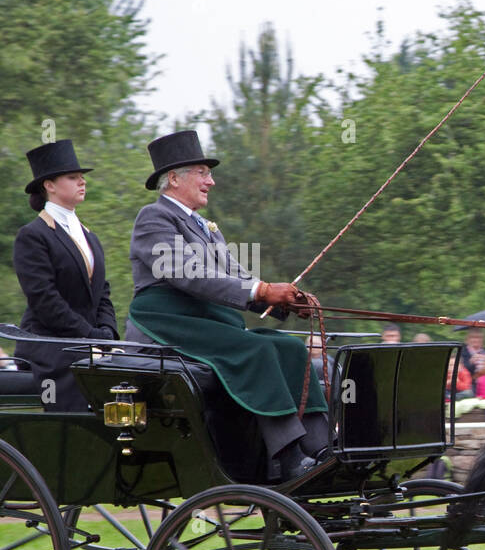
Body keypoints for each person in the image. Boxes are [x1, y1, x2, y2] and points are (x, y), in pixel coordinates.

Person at [125, 130, 328, 482]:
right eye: (203, 173)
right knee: (255, 351)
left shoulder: (206, 227)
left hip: (207, 322)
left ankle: (321, 446)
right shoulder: (153, 218)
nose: (211, 181)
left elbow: (235, 276)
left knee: (289, 348)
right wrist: (263, 290)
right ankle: (288, 458)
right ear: (174, 178)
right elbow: (190, 275)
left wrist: (286, 301)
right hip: (168, 322)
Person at [12, 140, 118, 411]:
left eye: (82, 177)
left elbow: (102, 291)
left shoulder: (88, 235)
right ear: (50, 185)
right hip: (51, 346)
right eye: (73, 177)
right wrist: (89, 335)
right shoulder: (33, 235)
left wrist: (107, 332)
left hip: (87, 343)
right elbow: (44, 300)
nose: (82, 182)